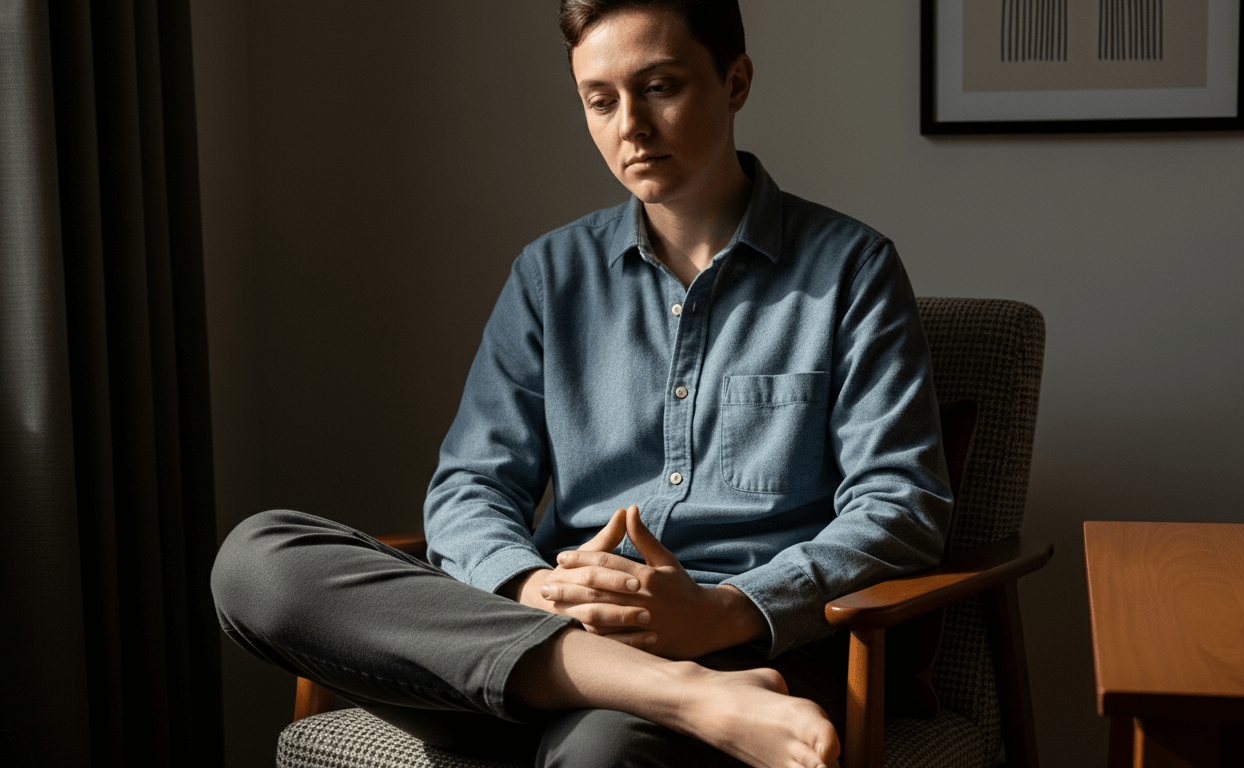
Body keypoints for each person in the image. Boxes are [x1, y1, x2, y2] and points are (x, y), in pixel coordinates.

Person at [211, 2, 952, 767]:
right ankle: (678, 696)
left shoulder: (851, 271)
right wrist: (533, 591)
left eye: (659, 87)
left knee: (600, 750)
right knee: (258, 561)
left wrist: (725, 611)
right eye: (600, 100)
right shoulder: (549, 276)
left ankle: (670, 687)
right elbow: (470, 487)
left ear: (735, 82)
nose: (631, 126)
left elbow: (902, 507)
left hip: (735, 649)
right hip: (541, 636)